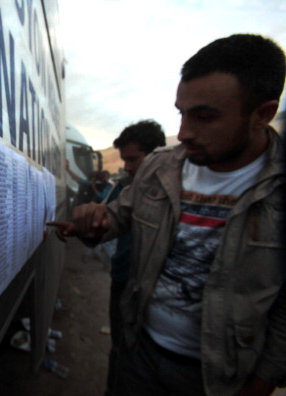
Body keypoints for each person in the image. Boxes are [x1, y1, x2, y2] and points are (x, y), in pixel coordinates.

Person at [49, 34, 285, 395]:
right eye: (182, 113)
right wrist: (94, 222)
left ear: (262, 114)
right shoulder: (160, 167)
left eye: (204, 117)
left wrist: (262, 382)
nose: (184, 133)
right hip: (137, 351)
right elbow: (121, 215)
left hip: (216, 379)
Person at [101, 120, 166, 396]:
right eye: (124, 160)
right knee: (120, 349)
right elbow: (106, 216)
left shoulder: (176, 192)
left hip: (152, 288)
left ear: (156, 155)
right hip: (122, 278)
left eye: (133, 159)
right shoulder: (126, 187)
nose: (127, 167)